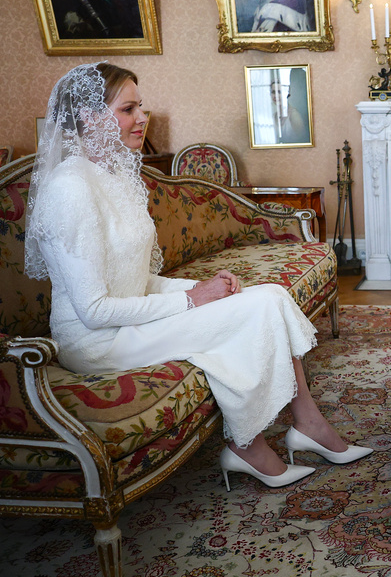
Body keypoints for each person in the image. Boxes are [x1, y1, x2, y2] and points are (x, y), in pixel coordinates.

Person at [25, 63, 370, 491]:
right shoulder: (70, 189)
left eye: (141, 107)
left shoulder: (113, 176)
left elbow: (137, 279)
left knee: (271, 294)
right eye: (128, 109)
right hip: (98, 341)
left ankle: (304, 423)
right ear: (91, 117)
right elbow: (94, 311)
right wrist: (194, 299)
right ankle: (251, 444)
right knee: (260, 306)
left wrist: (205, 289)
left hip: (129, 320)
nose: (142, 118)